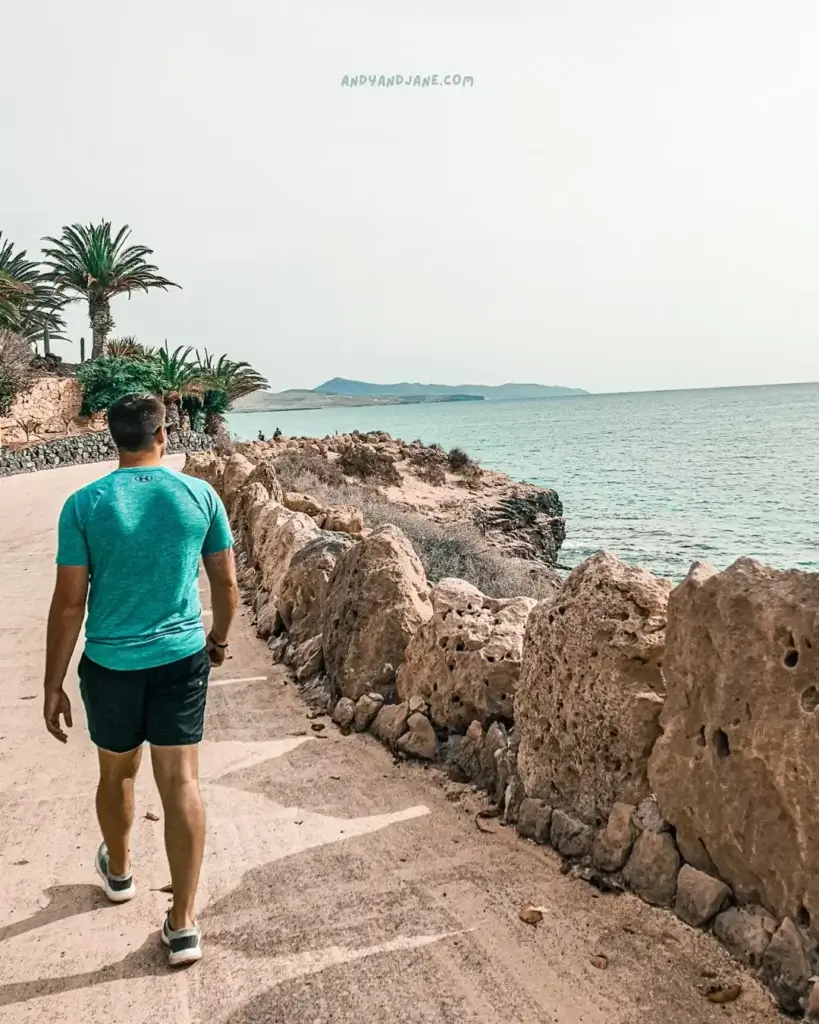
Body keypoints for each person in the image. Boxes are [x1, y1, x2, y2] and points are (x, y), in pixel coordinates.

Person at [42, 393, 238, 967]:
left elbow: (68, 602)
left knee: (116, 770)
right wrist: (218, 641)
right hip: (181, 660)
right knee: (180, 783)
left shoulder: (84, 504)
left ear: (113, 437)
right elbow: (225, 587)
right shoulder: (198, 495)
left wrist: (53, 683)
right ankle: (183, 925)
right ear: (163, 435)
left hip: (110, 665)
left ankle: (121, 869)